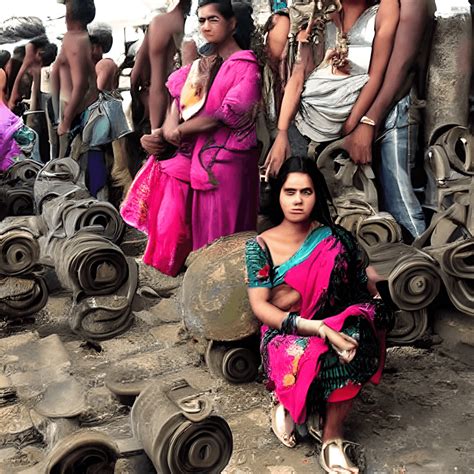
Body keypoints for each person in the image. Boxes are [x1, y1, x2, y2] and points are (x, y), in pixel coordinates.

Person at [245, 156, 391, 473]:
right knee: (317, 350)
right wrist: (315, 326)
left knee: (355, 336)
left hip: (334, 323)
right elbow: (261, 307)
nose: (298, 200)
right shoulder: (260, 246)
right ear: (278, 195)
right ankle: (290, 402)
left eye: (306, 192)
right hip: (286, 333)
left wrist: (379, 297)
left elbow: (361, 278)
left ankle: (332, 438)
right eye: (290, 191)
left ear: (316, 195)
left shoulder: (335, 238)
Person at [121, 0, 261, 276]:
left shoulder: (246, 66)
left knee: (227, 241)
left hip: (229, 167)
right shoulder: (203, 66)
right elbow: (180, 99)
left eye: (213, 20)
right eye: (201, 20)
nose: (205, 26)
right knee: (204, 241)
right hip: (202, 165)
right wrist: (166, 128)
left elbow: (224, 114)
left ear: (232, 24)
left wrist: (179, 131)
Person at [263, 0, 399, 177]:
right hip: (305, 125)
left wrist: (352, 126)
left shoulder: (385, 8)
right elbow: (298, 77)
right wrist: (282, 134)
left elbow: (376, 76)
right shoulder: (320, 14)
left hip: (347, 133)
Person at [343, 0, 437, 239]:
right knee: (382, 200)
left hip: (396, 108)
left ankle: (426, 266)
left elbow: (403, 66)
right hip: (376, 106)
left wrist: (369, 120)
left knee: (399, 199)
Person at [130, 0, 193, 132]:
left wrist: (136, 97)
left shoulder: (160, 24)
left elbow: (138, 76)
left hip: (161, 106)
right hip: (190, 104)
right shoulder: (200, 23)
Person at [51, 0, 98, 157]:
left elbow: (81, 85)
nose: (64, 20)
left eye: (66, 14)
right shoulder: (76, 38)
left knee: (70, 164)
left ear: (70, 16)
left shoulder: (76, 40)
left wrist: (66, 120)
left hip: (75, 110)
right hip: (74, 108)